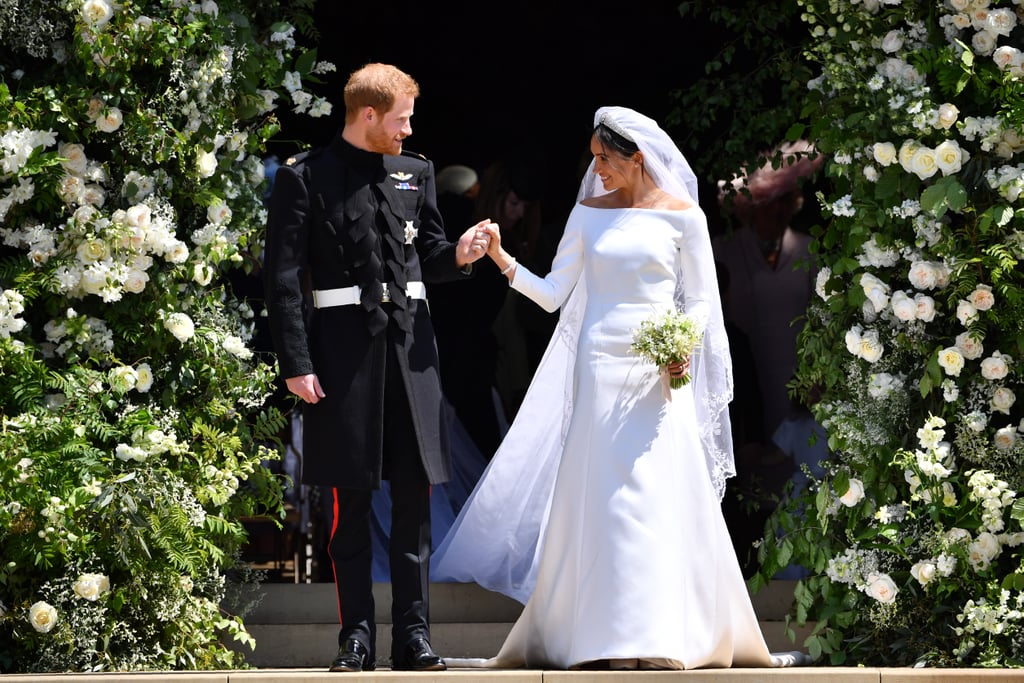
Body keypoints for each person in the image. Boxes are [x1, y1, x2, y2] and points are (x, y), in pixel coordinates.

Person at [431, 106, 808, 670]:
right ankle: (600, 638)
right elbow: (556, 294)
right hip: (598, 366)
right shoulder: (587, 214)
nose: (596, 170)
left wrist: (683, 343)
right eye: (593, 160)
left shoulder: (685, 217)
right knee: (601, 499)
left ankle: (660, 634)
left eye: (603, 159)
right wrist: (502, 259)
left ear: (636, 156)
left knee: (655, 495)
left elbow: (702, 299)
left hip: (658, 370)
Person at [262, 63, 494, 673]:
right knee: (351, 508)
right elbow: (283, 280)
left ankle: (413, 637)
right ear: (368, 115)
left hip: (412, 356)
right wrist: (296, 361)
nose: (409, 129)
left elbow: (431, 255)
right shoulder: (305, 178)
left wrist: (462, 255)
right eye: (401, 118)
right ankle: (356, 637)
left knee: (415, 504)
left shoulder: (416, 172)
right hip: (341, 358)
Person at [712, 140, 824, 440]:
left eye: (783, 201)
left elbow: (824, 319)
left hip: (797, 378)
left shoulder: (808, 250)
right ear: (750, 207)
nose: (775, 211)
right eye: (767, 203)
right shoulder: (723, 250)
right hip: (742, 377)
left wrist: (818, 375)